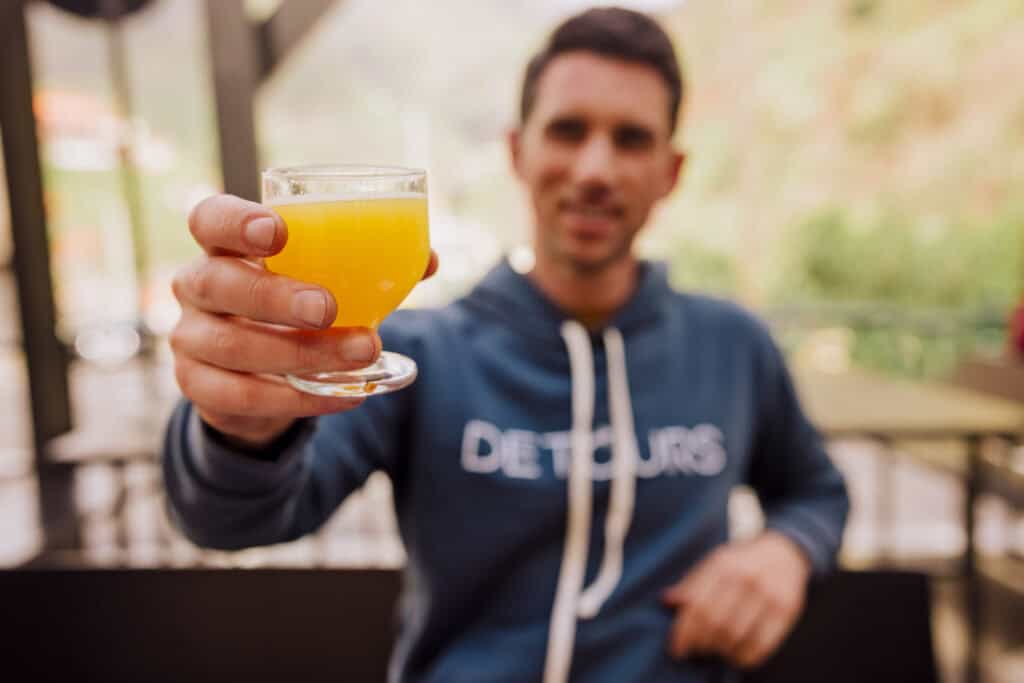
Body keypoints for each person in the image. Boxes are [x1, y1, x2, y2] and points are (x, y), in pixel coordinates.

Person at [163, 7, 849, 682]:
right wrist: (237, 425)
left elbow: (815, 489)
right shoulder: (412, 349)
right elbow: (230, 519)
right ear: (518, 151)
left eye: (632, 139)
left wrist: (786, 549)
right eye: (568, 130)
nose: (594, 169)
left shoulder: (733, 345)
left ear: (670, 172)